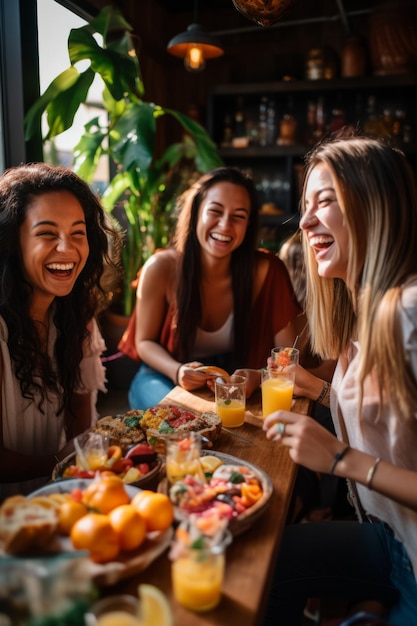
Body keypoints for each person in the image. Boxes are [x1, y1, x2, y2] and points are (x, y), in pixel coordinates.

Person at [263, 134, 417, 625]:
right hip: (394, 540)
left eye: (325, 202)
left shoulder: (409, 314)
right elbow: (397, 426)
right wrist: (319, 389)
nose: (304, 221)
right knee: (267, 563)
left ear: (376, 206)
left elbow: (360, 457)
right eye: (306, 204)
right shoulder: (365, 311)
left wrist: (339, 459)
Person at [126, 166, 302, 410]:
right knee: (179, 420)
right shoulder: (160, 268)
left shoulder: (267, 270)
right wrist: (178, 371)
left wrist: (260, 375)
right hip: (164, 374)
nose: (225, 225)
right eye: (215, 211)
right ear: (197, 213)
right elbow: (143, 342)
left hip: (233, 381)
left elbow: (287, 355)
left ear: (249, 224)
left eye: (238, 216)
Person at [0, 162, 121, 501]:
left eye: (78, 233)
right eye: (47, 233)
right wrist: (62, 460)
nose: (67, 249)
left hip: (63, 496)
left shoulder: (75, 313)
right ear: (12, 242)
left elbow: (80, 426)